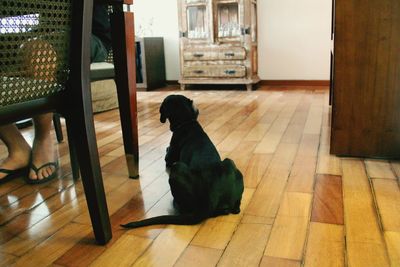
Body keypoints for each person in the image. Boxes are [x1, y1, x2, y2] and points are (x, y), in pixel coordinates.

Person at [0, 4, 112, 184]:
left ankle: (43, 138)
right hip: (42, 31)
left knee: (38, 51)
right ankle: (16, 146)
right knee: (34, 46)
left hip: (88, 34)